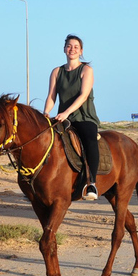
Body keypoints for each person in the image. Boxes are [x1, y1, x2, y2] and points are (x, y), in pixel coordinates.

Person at [44, 34, 101, 200]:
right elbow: (51, 97)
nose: (72, 49)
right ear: (64, 49)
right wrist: (46, 112)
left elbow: (83, 95)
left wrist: (67, 112)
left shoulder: (86, 70)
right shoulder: (57, 71)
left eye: (76, 47)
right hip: (63, 118)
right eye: (69, 46)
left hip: (83, 117)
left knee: (89, 139)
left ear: (81, 51)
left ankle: (92, 183)